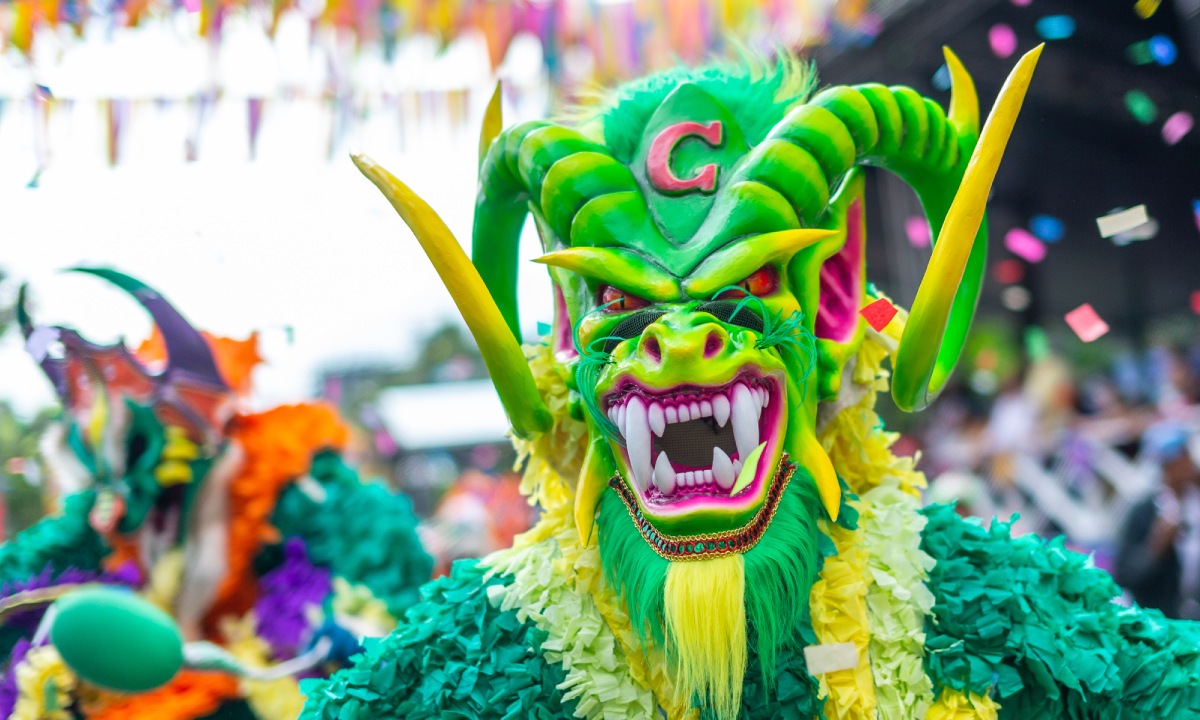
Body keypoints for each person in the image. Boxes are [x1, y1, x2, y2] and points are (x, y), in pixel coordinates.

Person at [1116, 421, 1200, 619]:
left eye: (1183, 458)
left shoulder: (1195, 503)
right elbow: (1125, 576)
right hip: (1162, 621)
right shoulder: (1145, 511)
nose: (1181, 469)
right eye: (1170, 465)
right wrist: (1156, 546)